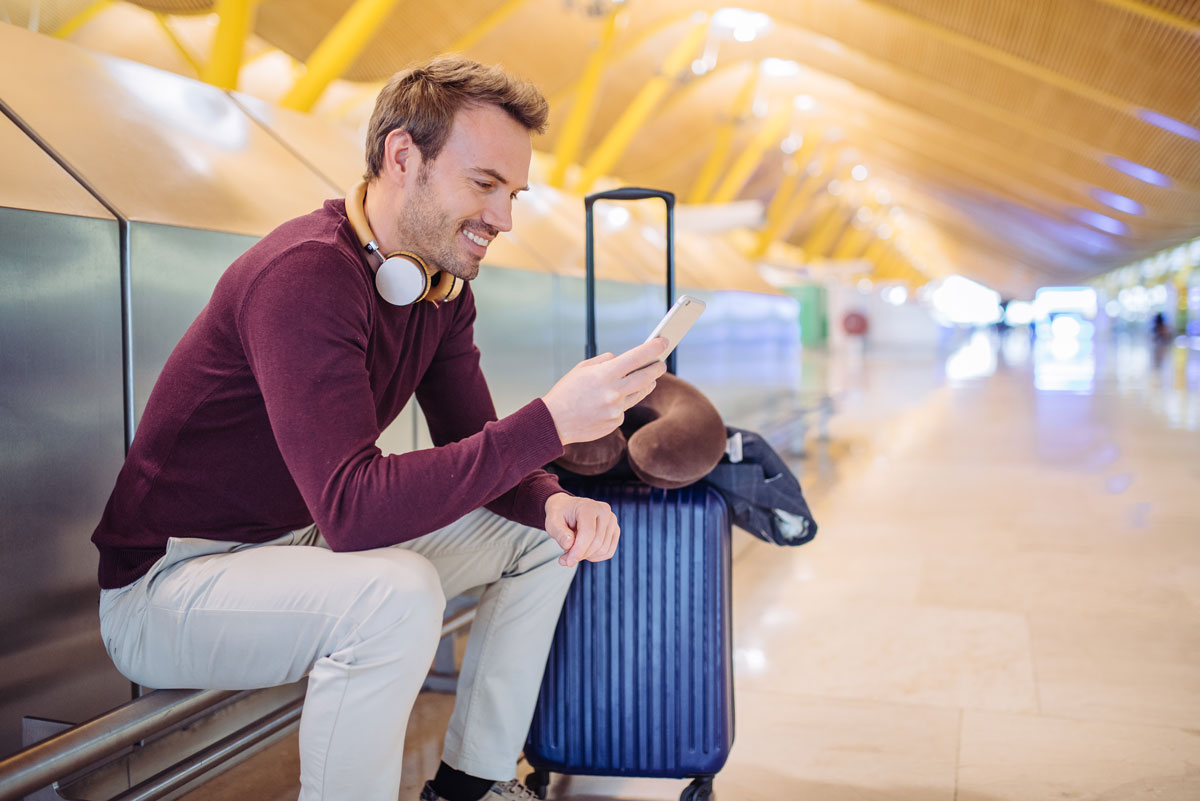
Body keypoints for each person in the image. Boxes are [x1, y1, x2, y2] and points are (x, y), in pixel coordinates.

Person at [90, 55, 667, 801]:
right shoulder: (303, 276)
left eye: (513, 192)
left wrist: (549, 497)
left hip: (291, 549)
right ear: (403, 157)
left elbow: (480, 440)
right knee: (394, 592)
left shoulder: (436, 287)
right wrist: (552, 422)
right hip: (168, 586)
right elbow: (354, 508)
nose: (504, 218)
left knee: (536, 537)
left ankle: (472, 784)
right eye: (484, 184)